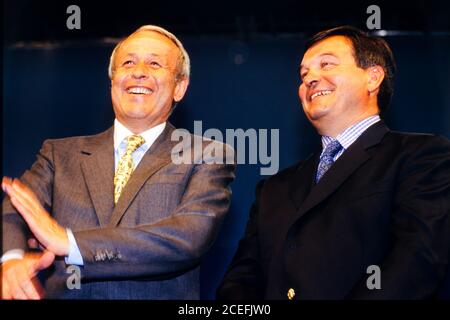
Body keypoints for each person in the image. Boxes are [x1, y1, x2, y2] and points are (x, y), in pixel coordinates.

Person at [1, 25, 235, 299]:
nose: (138, 71)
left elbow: (187, 237)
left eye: (155, 63)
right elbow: (13, 210)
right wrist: (11, 260)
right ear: (113, 80)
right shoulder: (58, 154)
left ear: (179, 87)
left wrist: (70, 242)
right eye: (128, 62)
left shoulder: (207, 154)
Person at [217, 26, 450, 299]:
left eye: (326, 64)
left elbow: (418, 259)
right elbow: (242, 279)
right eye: (304, 75)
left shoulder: (422, 157)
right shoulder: (274, 188)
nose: (310, 79)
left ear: (373, 77)